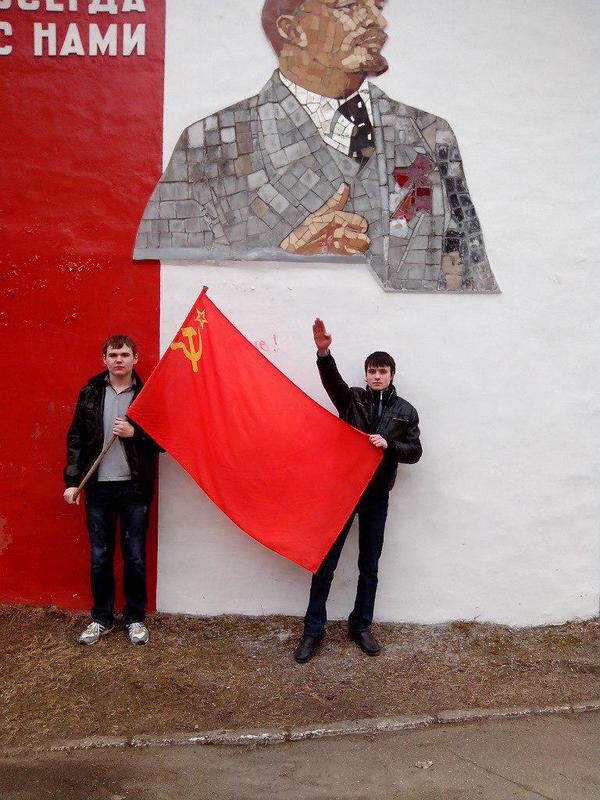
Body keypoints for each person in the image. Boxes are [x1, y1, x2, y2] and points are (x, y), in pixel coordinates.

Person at [133, 0, 498, 293]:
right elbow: (172, 277)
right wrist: (285, 256)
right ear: (292, 29)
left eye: (377, 7)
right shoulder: (208, 144)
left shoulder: (430, 133)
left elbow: (472, 272)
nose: (378, 22)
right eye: (349, 6)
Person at [294, 318, 422, 662]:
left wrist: (389, 445)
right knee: (326, 562)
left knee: (370, 564)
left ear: (392, 374)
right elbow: (332, 382)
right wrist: (324, 354)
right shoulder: (352, 399)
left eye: (382, 371)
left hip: (377, 496)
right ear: (366, 375)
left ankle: (360, 626)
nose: (377, 376)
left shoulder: (406, 411)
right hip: (344, 492)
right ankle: (313, 630)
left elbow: (415, 452)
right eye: (372, 371)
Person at [63, 335, 161, 646]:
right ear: (104, 359)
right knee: (100, 557)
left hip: (135, 489)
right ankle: (101, 618)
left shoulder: (146, 395)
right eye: (113, 354)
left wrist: (135, 433)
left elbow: (162, 440)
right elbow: (76, 438)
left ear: (135, 358)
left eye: (125, 354)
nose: (119, 359)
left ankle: (135, 618)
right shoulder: (91, 392)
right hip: (98, 489)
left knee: (135, 557)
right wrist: (72, 481)